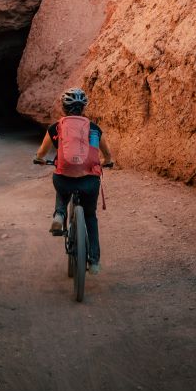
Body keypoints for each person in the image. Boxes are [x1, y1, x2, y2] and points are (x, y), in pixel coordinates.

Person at [34, 87, 113, 275]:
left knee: (61, 184)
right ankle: (94, 261)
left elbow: (42, 152)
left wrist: (39, 159)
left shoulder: (56, 127)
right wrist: (107, 162)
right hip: (89, 181)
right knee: (90, 216)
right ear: (84, 107)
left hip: (65, 179)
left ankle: (59, 214)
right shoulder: (94, 128)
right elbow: (107, 154)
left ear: (63, 107)